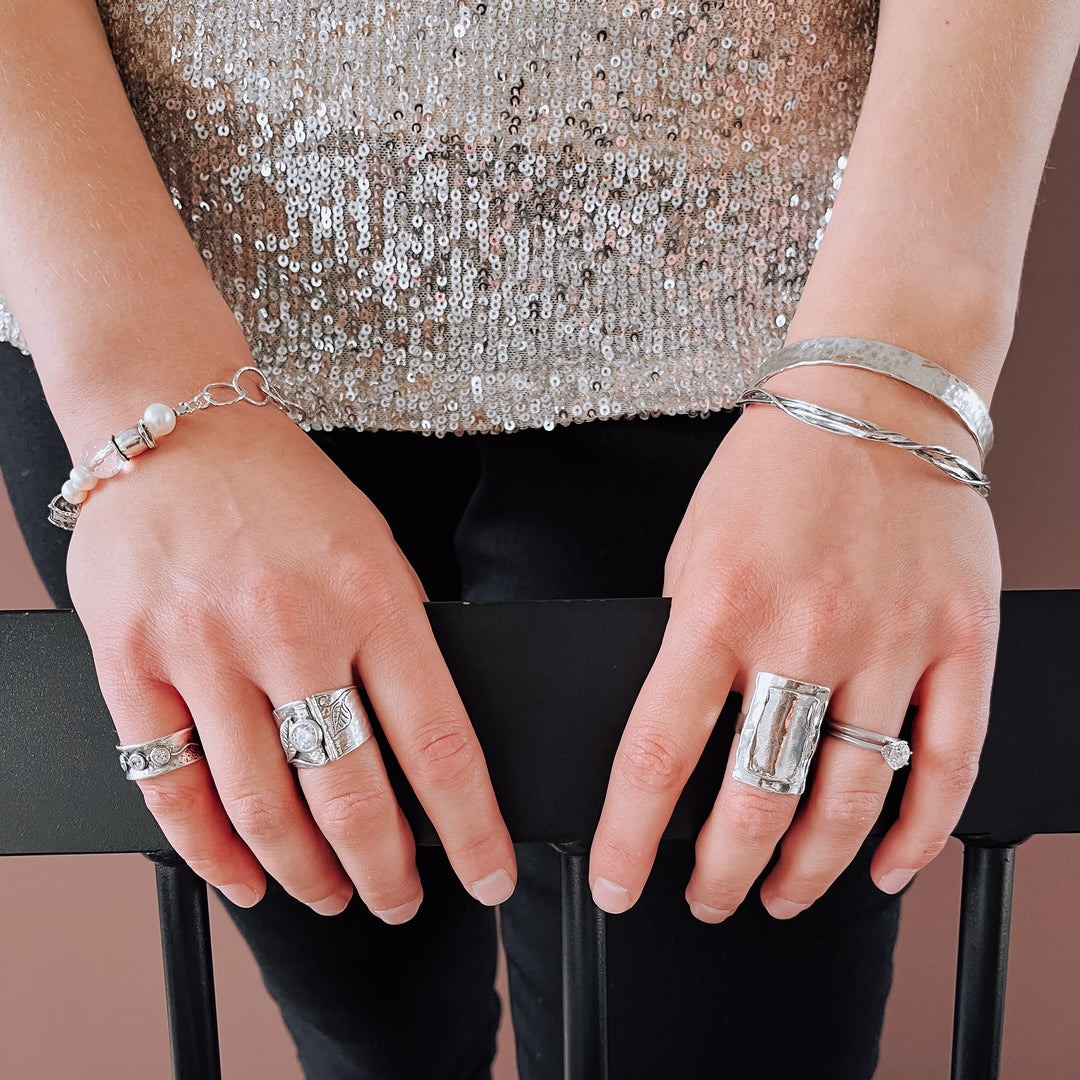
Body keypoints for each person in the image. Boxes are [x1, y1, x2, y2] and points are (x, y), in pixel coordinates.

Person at [1, 1, 1077, 1077]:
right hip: (150, 331)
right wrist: (139, 387)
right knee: (369, 1037)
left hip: (778, 359)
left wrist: (895, 374)